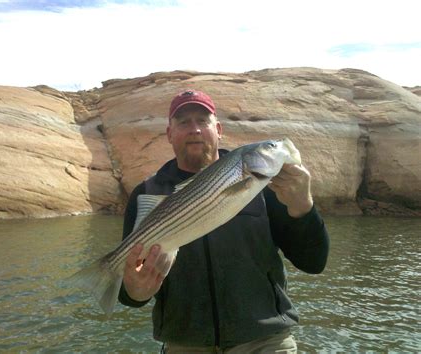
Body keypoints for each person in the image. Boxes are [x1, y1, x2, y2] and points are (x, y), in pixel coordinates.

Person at [118, 89, 330, 353]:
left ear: (218, 129)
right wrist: (136, 291)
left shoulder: (269, 188)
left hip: (265, 340)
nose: (194, 129)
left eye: (203, 121)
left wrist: (303, 207)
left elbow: (313, 262)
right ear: (169, 133)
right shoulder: (146, 193)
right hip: (184, 344)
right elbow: (129, 290)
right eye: (184, 122)